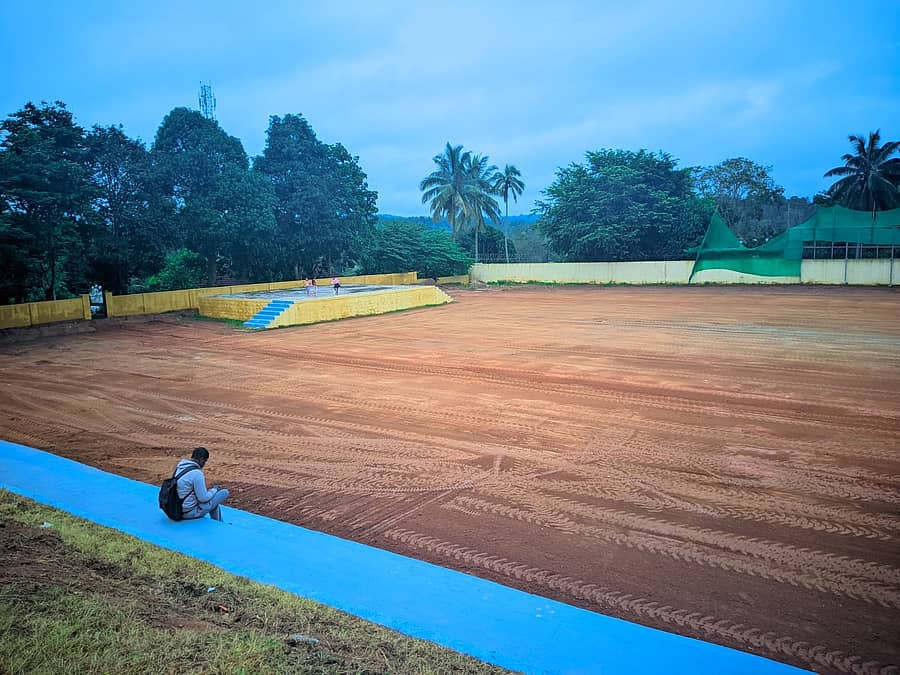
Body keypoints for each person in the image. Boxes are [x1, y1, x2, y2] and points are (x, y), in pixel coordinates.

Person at [175, 447, 229, 522]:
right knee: (224, 492)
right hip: (189, 513)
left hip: (176, 509)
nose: (204, 464)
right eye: (205, 461)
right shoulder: (197, 473)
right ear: (201, 459)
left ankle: (219, 522)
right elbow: (203, 498)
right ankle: (219, 522)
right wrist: (214, 490)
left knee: (213, 499)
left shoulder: (180, 467)